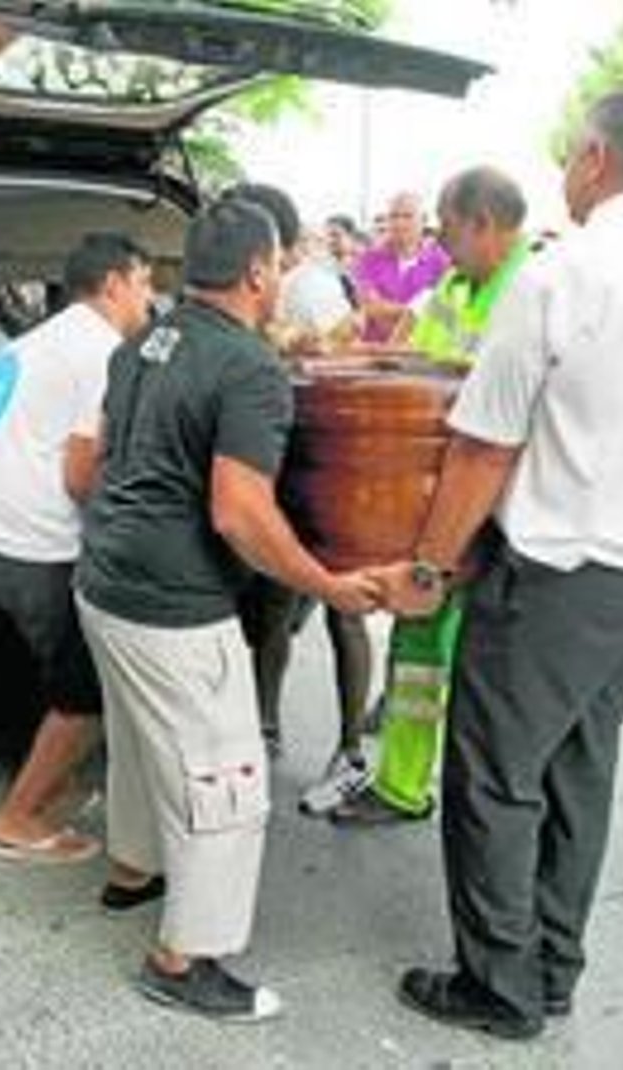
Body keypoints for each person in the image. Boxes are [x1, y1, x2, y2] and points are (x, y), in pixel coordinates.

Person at [372, 90, 623, 1040]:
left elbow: (483, 447)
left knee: (496, 774)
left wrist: (427, 566)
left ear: (595, 159)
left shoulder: (565, 273)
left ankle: (498, 986)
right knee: (582, 766)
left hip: (563, 574)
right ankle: (551, 967)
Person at [75, 197, 377, 1023]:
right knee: (226, 781)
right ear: (256, 270)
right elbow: (238, 511)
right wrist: (326, 584)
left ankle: (131, 872)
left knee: (138, 744)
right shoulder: (250, 369)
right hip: (174, 603)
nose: (280, 275)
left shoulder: (143, 341)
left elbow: (101, 455)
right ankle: (183, 958)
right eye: (278, 262)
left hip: (103, 578)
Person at [331, 165, 530, 828]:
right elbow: (411, 357)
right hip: (437, 501)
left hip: (499, 509)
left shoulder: (530, 290)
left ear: (484, 224)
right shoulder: (452, 285)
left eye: (449, 230)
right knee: (417, 647)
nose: (442, 245)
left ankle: (465, 798)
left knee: (477, 664)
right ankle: (402, 784)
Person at [0, 232, 156, 864]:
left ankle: (55, 778)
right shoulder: (102, 352)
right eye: (145, 283)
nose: (149, 299)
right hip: (36, 546)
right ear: (114, 284)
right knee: (88, 689)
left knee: (59, 669)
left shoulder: (37, 339)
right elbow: (80, 476)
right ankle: (17, 816)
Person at [227, 181, 374, 815]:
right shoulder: (266, 283)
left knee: (342, 607)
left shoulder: (310, 285)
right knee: (275, 605)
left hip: (327, 463)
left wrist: (300, 345)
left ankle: (349, 750)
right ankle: (263, 726)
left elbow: (349, 350)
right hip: (287, 461)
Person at [351, 191, 451, 343]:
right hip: (375, 354)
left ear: (423, 220)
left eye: (407, 216)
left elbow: (447, 313)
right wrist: (416, 311)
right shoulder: (368, 259)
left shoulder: (441, 261)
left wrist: (395, 312)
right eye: (393, 216)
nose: (399, 223)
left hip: (422, 353)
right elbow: (372, 307)